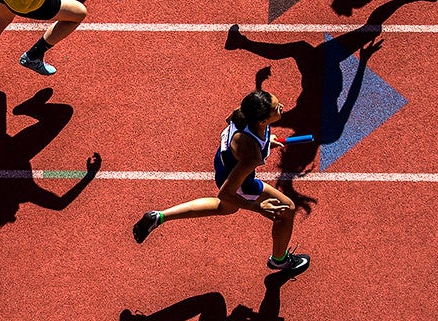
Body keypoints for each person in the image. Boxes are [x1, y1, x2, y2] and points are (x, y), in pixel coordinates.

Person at [132, 90, 310, 276]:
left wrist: (267, 141)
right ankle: (279, 260)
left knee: (223, 208)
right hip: (239, 182)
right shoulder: (252, 155)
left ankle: (158, 217)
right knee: (287, 209)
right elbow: (225, 193)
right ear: (262, 121)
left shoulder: (242, 112)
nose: (281, 107)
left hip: (223, 164)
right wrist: (258, 207)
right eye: (276, 108)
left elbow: (231, 123)